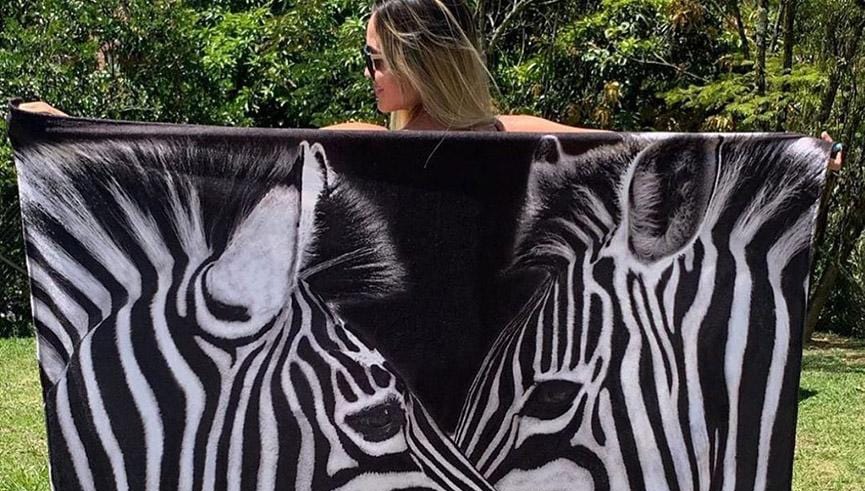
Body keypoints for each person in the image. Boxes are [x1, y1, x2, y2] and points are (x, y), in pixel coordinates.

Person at [16, 0, 843, 168]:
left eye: (377, 58)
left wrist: (787, 161)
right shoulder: (358, 146)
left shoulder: (512, 138)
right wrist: (73, 136)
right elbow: (210, 155)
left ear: (420, 60)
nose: (368, 73)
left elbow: (655, 154)